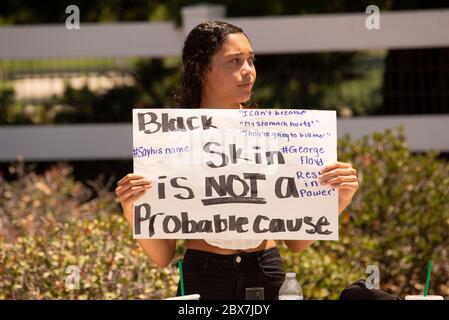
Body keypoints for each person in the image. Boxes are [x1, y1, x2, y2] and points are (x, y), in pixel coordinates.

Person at [115, 21, 359, 300]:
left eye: (251, 61)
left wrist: (338, 199)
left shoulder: (280, 134)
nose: (249, 72)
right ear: (201, 69)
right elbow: (162, 257)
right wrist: (132, 211)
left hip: (266, 270)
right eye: (234, 61)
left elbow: (296, 242)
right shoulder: (170, 138)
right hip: (204, 276)